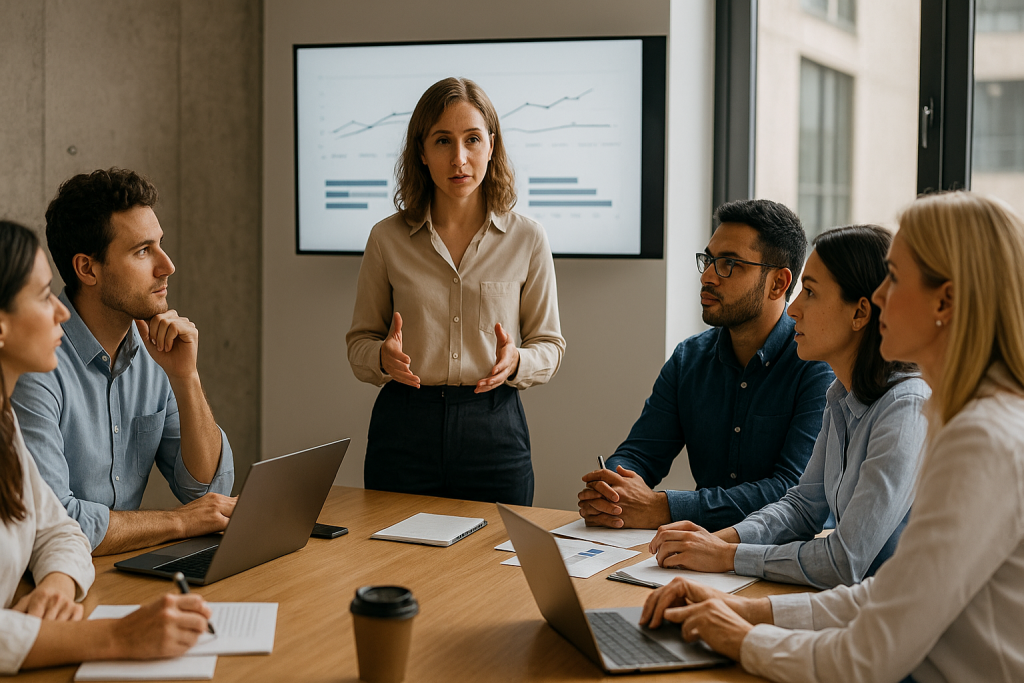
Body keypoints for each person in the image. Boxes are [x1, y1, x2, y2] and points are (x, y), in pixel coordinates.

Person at [640, 191, 1024, 683]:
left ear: (944, 301)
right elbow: (885, 596)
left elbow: (868, 656)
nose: (879, 297)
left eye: (895, 278)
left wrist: (739, 634)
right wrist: (743, 610)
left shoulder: (979, 438)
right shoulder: (959, 417)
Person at [646, 225, 929, 589]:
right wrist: (719, 540)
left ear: (859, 313)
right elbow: (801, 507)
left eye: (810, 292)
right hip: (854, 605)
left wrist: (727, 556)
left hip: (894, 614)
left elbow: (844, 562)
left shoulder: (906, 408)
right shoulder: (840, 396)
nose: (792, 310)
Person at [0, 220, 212, 674]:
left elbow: (60, 531)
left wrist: (57, 585)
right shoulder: (32, 389)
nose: (60, 312)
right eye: (43, 296)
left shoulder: (4, 428)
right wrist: (118, 636)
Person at [346, 77, 565, 505]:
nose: (459, 158)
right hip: (404, 428)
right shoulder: (386, 239)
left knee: (497, 550)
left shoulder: (528, 238)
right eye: (443, 141)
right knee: (393, 547)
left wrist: (517, 361)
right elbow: (359, 343)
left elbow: (550, 345)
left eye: (473, 140)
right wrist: (382, 357)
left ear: (492, 146)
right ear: (422, 152)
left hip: (494, 428)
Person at [11, 169, 235, 555]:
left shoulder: (155, 352)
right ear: (88, 269)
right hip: (53, 575)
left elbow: (208, 491)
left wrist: (186, 378)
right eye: (142, 251)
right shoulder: (34, 365)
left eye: (160, 244)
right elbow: (55, 523)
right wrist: (179, 522)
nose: (167, 266)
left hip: (120, 567)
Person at [578, 199, 833, 531]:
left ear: (778, 284)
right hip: (697, 546)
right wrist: (613, 491)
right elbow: (640, 454)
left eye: (729, 263)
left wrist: (663, 507)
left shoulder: (816, 366)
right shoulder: (689, 358)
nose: (708, 276)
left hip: (786, 550)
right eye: (709, 260)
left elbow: (790, 491)